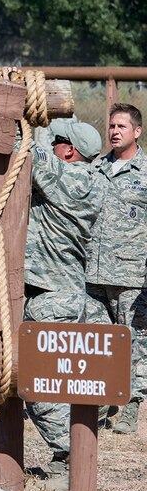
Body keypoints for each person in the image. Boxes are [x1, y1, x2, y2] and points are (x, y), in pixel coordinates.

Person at [21, 118, 104, 491]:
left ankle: (72, 454)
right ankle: (71, 452)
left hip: (51, 296)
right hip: (59, 292)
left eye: (58, 141)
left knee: (36, 382)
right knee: (63, 379)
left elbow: (27, 150)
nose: (52, 145)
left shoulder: (75, 179)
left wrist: (26, 120)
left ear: (69, 150)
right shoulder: (85, 179)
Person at [84, 102, 147, 436]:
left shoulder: (146, 171)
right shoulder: (96, 168)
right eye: (111, 126)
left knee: (134, 341)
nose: (114, 131)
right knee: (99, 339)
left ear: (137, 131)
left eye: (122, 126)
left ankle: (132, 406)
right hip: (93, 273)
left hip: (132, 275)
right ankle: (102, 400)